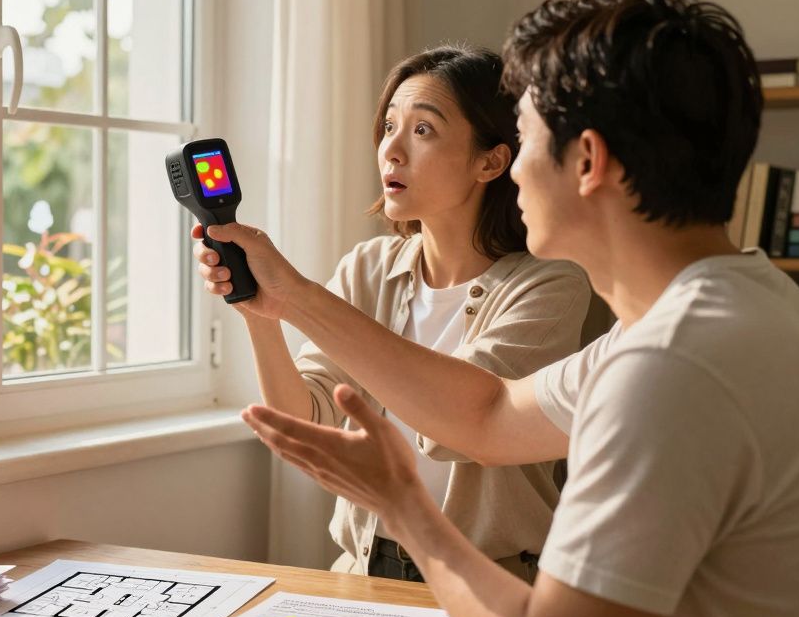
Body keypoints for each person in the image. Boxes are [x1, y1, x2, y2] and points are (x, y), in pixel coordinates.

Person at [209, 0, 799, 617]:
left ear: (588, 161)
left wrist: (404, 507)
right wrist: (285, 300)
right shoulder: (730, 311)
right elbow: (488, 415)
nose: (515, 168)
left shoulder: (671, 367)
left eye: (526, 138)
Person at [193, 45, 596, 583]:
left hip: (494, 578)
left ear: (491, 161)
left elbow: (463, 426)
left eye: (423, 130)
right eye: (388, 127)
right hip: (363, 571)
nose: (392, 150)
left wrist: (299, 297)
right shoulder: (369, 267)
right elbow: (306, 421)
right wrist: (261, 314)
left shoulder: (549, 283)